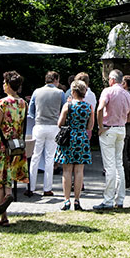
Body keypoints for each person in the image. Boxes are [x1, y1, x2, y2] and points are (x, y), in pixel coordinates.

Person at [0, 71, 28, 225]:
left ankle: (3, 217)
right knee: (8, 174)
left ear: (8, 85)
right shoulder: (23, 103)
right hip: (15, 145)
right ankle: (8, 194)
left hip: (1, 144)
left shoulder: (3, 103)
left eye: (4, 82)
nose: (3, 84)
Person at [94, 69, 130, 211]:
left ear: (112, 79)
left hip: (108, 128)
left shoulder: (108, 91)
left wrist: (100, 126)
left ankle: (108, 200)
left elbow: (100, 109)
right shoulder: (128, 96)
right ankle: (120, 199)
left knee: (109, 166)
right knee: (119, 165)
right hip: (121, 129)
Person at [54, 79, 94, 211]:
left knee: (67, 170)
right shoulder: (89, 107)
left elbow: (60, 124)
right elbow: (90, 126)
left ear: (73, 91)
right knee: (79, 171)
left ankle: (66, 201)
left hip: (69, 137)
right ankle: (77, 200)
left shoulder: (68, 106)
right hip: (82, 138)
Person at [28, 71, 65, 198]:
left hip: (39, 125)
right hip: (54, 126)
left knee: (35, 157)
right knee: (50, 158)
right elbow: (64, 109)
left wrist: (37, 117)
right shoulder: (60, 93)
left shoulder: (36, 92)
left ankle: (31, 187)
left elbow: (31, 111)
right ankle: (47, 188)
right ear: (55, 80)